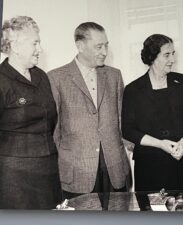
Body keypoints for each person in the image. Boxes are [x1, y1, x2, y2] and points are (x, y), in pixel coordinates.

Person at [48, 22, 129, 199]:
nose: (105, 52)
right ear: (80, 46)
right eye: (99, 46)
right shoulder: (56, 78)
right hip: (77, 171)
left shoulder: (114, 75)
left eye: (106, 45)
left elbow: (123, 119)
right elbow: (54, 129)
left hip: (114, 168)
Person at [122, 34, 183, 191]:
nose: (172, 59)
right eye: (167, 55)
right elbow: (128, 130)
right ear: (152, 57)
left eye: (173, 54)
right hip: (151, 167)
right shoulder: (133, 90)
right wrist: (160, 144)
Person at [0, 16, 62, 209]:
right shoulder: (2, 80)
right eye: (35, 43)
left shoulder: (41, 76)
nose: (40, 49)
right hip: (15, 176)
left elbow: (51, 120)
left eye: (39, 42)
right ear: (15, 46)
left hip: (49, 168)